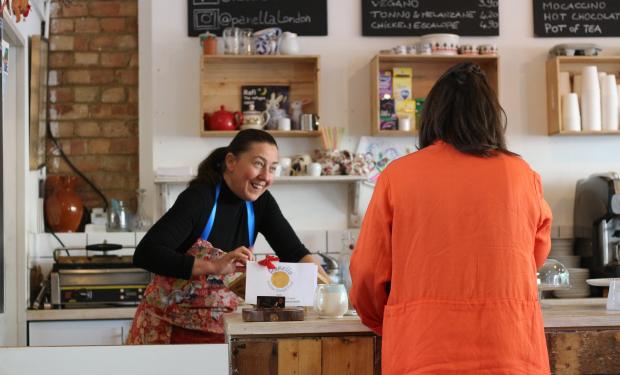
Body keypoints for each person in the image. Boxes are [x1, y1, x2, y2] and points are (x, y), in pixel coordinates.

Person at [349, 62, 552, 374]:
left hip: (423, 348)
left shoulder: (398, 176)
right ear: (491, 116)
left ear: (432, 115)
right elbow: (533, 256)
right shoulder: (522, 175)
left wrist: (385, 320)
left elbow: (367, 271)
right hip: (510, 347)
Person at [127, 129, 325, 344]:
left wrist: (328, 286)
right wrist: (212, 266)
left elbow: (294, 252)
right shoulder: (199, 199)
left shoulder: (261, 203)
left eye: (273, 168)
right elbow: (146, 253)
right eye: (258, 164)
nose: (266, 176)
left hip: (222, 331)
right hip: (167, 331)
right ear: (231, 161)